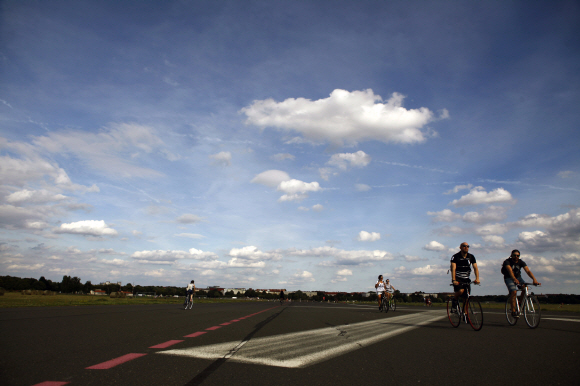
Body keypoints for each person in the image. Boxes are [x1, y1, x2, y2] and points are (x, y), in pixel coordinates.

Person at [502, 249, 540, 318]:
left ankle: (520, 304)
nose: (516, 257)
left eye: (518, 255)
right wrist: (514, 279)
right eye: (514, 255)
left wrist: (534, 279)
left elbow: (528, 271)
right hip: (509, 278)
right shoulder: (507, 261)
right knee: (513, 292)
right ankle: (513, 311)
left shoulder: (521, 262)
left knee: (525, 288)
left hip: (518, 278)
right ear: (511, 255)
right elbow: (510, 270)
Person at [450, 242, 480, 312]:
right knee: (461, 291)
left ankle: (465, 314)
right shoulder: (455, 256)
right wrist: (454, 280)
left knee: (466, 297)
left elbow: (475, 268)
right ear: (460, 247)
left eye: (467, 246)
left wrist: (477, 278)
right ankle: (454, 299)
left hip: (466, 278)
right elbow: (453, 268)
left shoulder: (471, 257)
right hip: (458, 277)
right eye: (464, 246)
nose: (466, 247)